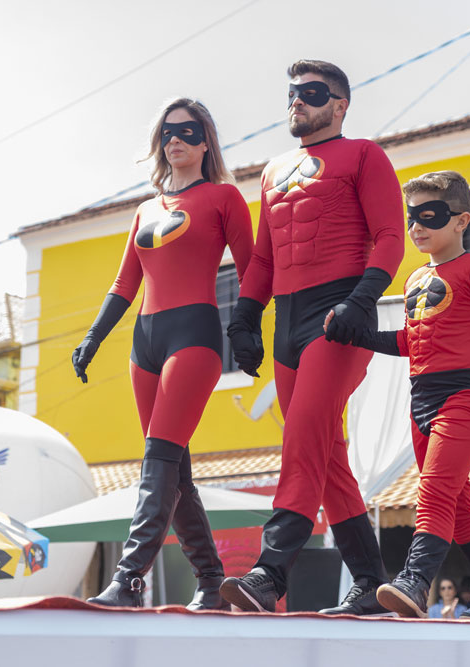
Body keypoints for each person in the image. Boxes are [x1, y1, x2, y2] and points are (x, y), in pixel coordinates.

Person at [221, 59, 405, 615]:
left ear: (340, 104)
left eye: (312, 93)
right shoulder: (273, 171)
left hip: (339, 316)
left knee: (302, 439)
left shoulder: (365, 155)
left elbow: (390, 238)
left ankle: (269, 572)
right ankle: (371, 584)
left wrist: (360, 301)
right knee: (326, 458)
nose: (297, 100)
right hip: (287, 321)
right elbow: (264, 258)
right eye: (293, 93)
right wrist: (244, 318)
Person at [74, 98, 253, 610]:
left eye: (188, 131)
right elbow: (124, 283)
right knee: (174, 471)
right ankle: (212, 582)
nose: (176, 139)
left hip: (193, 338)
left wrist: (247, 329)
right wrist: (93, 337)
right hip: (144, 345)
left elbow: (251, 268)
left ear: (206, 141)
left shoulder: (223, 197)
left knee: (157, 462)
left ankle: (130, 579)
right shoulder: (145, 209)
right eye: (168, 132)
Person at [355, 170, 470, 619]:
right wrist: (359, 335)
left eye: (430, 216)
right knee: (455, 502)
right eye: (411, 217)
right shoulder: (414, 278)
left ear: (461, 220)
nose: (416, 226)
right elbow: (412, 340)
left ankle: (416, 580)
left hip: (466, 394)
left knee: (435, 489)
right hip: (421, 398)